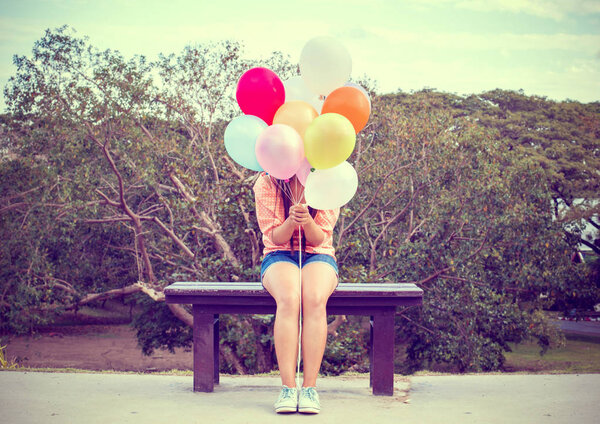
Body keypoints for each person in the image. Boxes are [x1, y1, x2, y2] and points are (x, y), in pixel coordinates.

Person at [253, 172, 340, 414]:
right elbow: (274, 237)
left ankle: (310, 388)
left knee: (314, 298)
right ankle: (288, 388)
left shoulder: (330, 178)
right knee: (289, 298)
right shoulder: (268, 181)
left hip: (318, 253)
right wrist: (291, 221)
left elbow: (319, 237)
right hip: (279, 253)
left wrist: (307, 221)